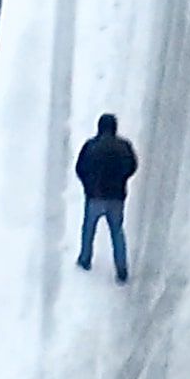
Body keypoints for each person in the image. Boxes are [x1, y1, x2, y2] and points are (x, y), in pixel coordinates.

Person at [73, 113, 138, 282]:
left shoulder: (91, 146)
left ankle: (85, 259)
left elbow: (80, 168)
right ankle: (121, 268)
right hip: (116, 197)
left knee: (88, 229)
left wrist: (88, 186)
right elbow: (132, 166)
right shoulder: (124, 146)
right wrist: (122, 180)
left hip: (95, 196)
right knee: (117, 231)